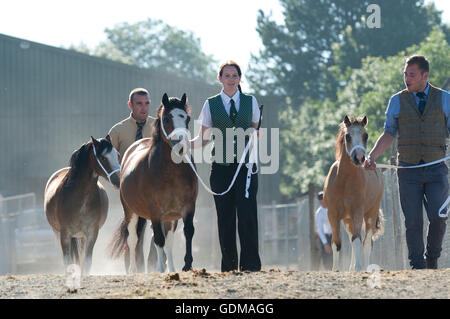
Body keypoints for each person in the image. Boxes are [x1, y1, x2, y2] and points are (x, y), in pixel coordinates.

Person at [365, 55, 450, 269]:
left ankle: (432, 258)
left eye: (412, 75)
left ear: (425, 75)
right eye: (405, 74)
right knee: (412, 221)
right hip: (408, 170)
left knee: (438, 217)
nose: (407, 78)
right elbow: (388, 134)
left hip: (437, 169)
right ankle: (417, 265)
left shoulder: (445, 99)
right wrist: (373, 155)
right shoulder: (396, 100)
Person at [190, 60, 262, 272]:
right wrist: (185, 146)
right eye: (227, 75)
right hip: (220, 169)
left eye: (235, 75)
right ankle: (229, 266)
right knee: (225, 217)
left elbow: (256, 131)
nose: (231, 79)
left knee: (247, 215)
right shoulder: (210, 104)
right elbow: (203, 138)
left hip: (246, 167)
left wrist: (254, 136)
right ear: (219, 79)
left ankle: (250, 265)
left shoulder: (251, 102)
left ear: (240, 79)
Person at [107, 87, 155, 272]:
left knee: (162, 228)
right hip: (133, 191)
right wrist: (117, 180)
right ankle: (134, 270)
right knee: (134, 231)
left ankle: (154, 265)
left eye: (147, 103)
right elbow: (108, 159)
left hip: (157, 189)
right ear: (130, 105)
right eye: (139, 104)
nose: (144, 108)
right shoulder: (118, 131)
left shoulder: (159, 127)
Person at [315, 191, 332, 270]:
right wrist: (325, 243)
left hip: (334, 236)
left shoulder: (332, 208)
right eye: (321, 202)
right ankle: (328, 272)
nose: (322, 204)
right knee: (326, 258)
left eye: (323, 201)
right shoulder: (319, 213)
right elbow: (320, 229)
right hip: (325, 237)